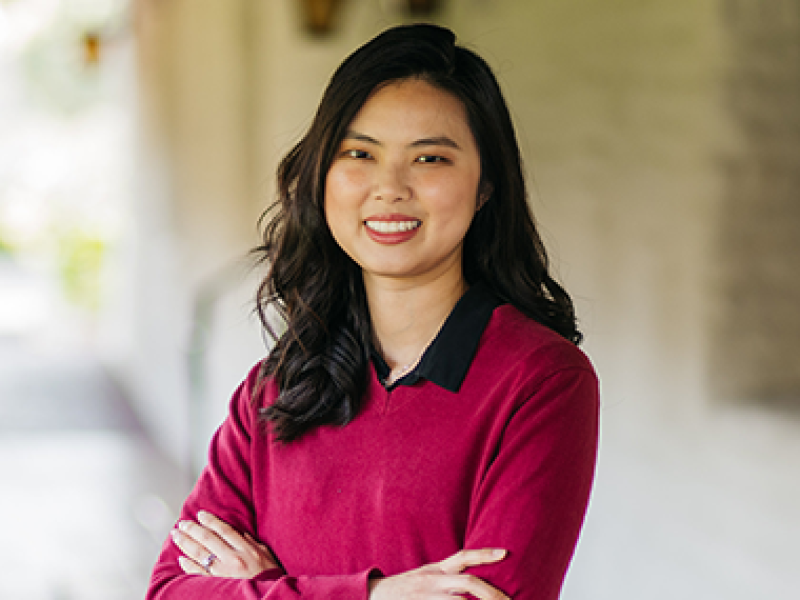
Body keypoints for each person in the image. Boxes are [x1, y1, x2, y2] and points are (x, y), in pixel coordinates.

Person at [146, 23, 598, 600]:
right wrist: (375, 594)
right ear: (322, 176)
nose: (390, 187)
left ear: (485, 186)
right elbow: (170, 590)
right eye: (360, 153)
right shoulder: (276, 388)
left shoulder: (540, 381)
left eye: (430, 158)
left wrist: (264, 587)